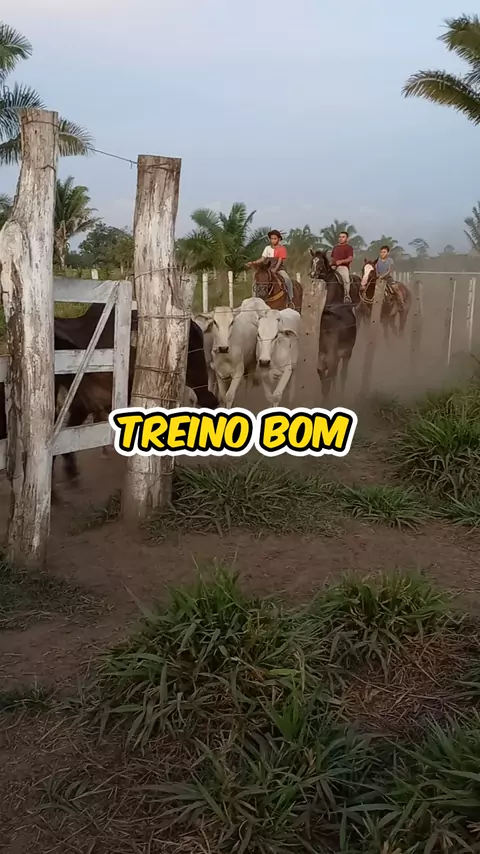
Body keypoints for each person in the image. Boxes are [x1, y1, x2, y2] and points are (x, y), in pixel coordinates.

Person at [249, 230, 294, 303]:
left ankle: (290, 298)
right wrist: (253, 262)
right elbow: (262, 259)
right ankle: (254, 298)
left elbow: (280, 261)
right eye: (271, 239)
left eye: (275, 239)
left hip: (279, 269)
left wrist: (275, 269)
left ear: (279, 239)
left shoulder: (282, 248)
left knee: (287, 279)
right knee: (256, 278)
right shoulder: (267, 248)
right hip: (267, 268)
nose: (273, 240)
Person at [331, 231, 354, 302]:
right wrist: (332, 265)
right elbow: (332, 258)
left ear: (347, 239)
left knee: (346, 280)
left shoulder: (349, 247)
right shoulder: (335, 247)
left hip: (343, 267)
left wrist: (341, 261)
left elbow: (350, 259)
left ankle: (346, 296)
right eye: (340, 237)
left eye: (343, 237)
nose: (341, 238)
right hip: (334, 267)